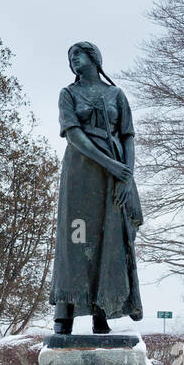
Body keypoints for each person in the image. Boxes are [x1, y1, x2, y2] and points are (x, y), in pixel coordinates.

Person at [50, 41, 143, 334]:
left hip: (113, 175)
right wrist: (111, 165)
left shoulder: (116, 94)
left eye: (78, 54)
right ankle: (64, 311)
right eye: (70, 57)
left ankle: (102, 311)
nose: (74, 60)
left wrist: (125, 176)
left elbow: (127, 135)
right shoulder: (68, 94)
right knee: (75, 239)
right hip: (82, 172)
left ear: (94, 58)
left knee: (109, 239)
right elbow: (74, 135)